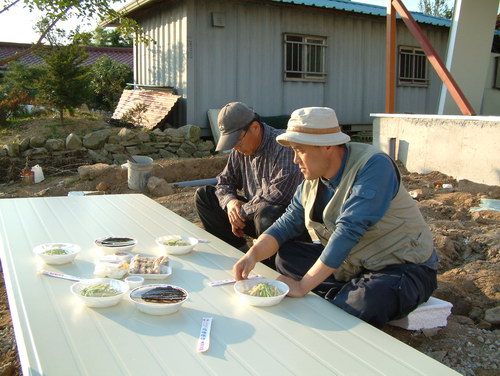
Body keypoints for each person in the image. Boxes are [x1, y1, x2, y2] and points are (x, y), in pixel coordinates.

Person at [233, 107, 438, 328]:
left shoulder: (373, 166)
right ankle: (344, 294)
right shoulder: (312, 180)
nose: (294, 160)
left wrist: (303, 287)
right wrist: (252, 255)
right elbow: (287, 223)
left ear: (327, 145)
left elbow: (348, 231)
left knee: (366, 300)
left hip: (399, 265)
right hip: (353, 264)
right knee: (286, 256)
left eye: (300, 150)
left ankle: (348, 295)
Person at [195, 102, 303, 257]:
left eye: (237, 141)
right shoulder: (240, 149)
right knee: (205, 195)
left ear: (255, 128)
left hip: (283, 222)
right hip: (252, 214)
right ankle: (238, 251)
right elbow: (224, 181)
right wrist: (230, 202)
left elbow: (277, 196)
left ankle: (273, 266)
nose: (235, 147)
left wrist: (240, 212)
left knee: (266, 213)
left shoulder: (283, 146)